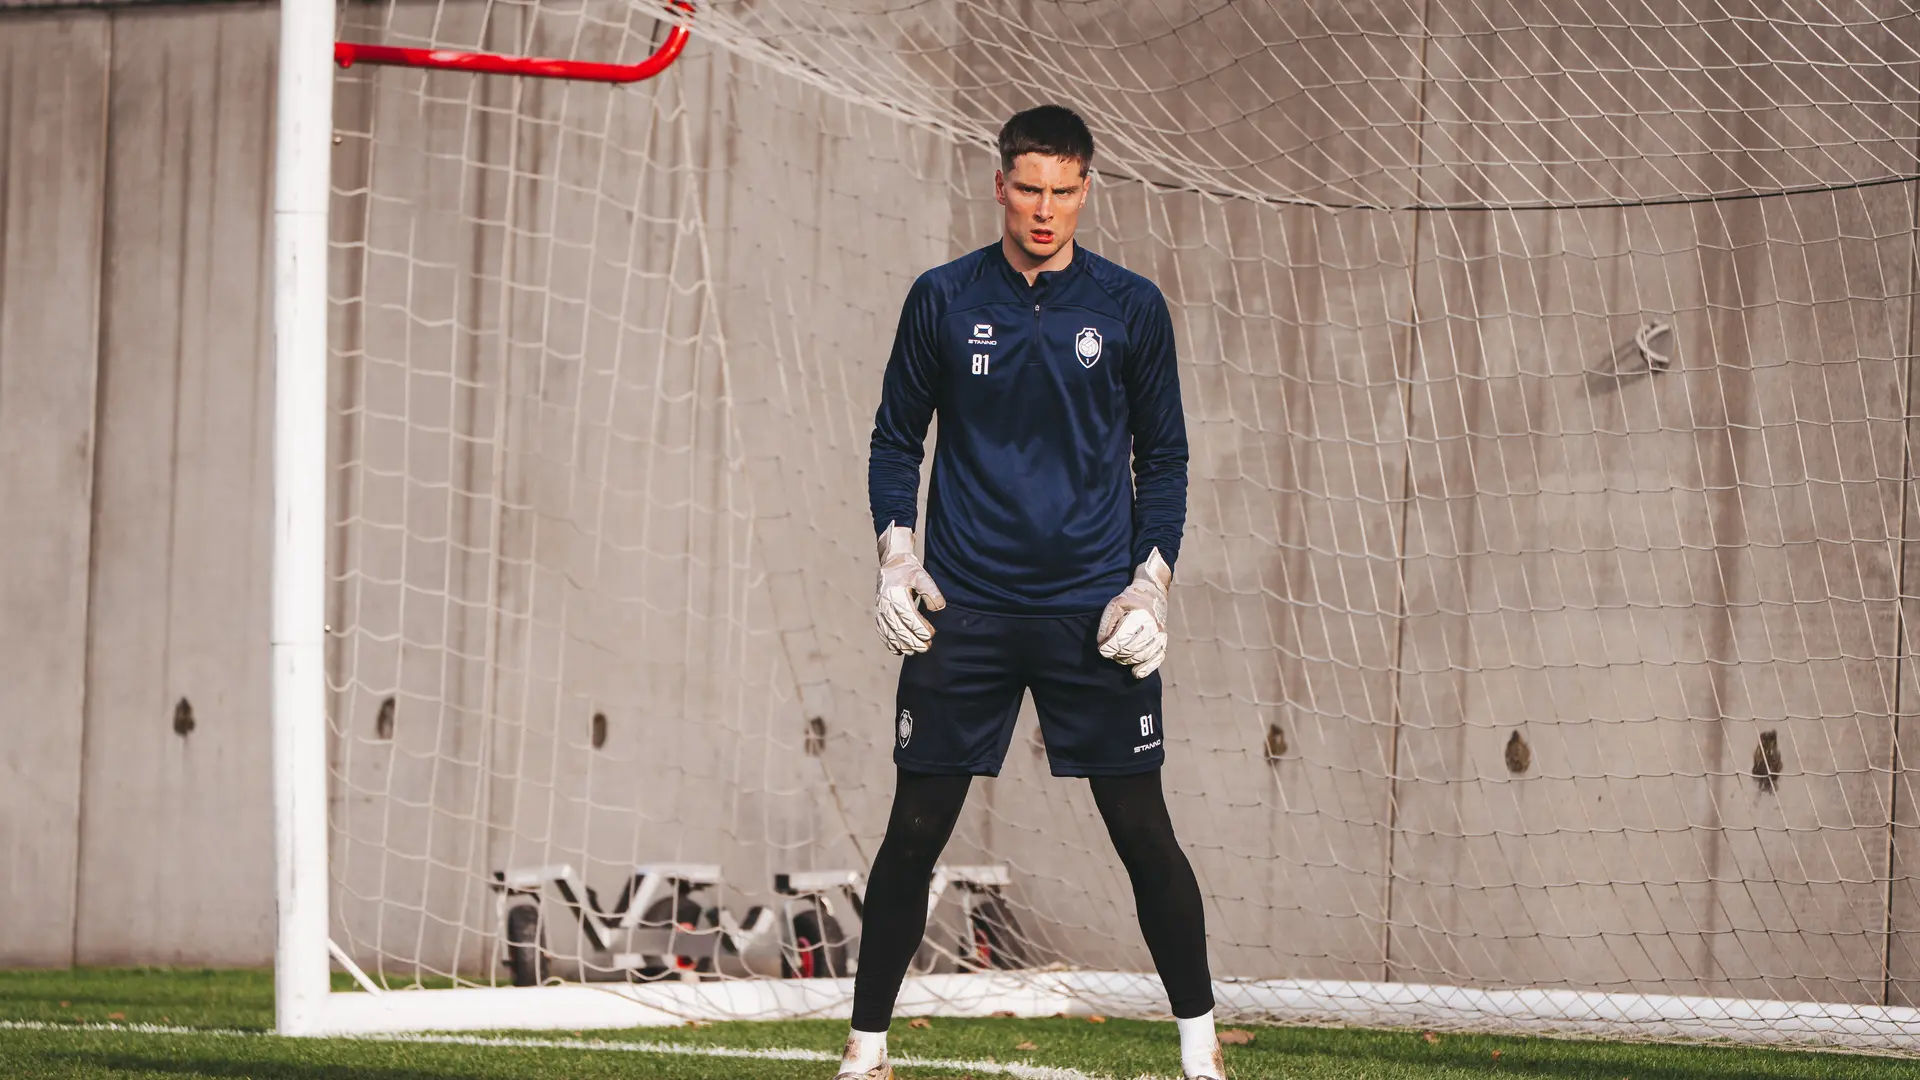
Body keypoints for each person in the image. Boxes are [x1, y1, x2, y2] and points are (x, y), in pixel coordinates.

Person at [837, 104, 1221, 1080]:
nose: (1046, 211)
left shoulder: (1131, 308)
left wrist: (1152, 585)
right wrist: (896, 557)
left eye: (1065, 191)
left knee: (1144, 834)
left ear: (1087, 189)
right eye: (1029, 189)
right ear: (999, 183)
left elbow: (1165, 461)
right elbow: (895, 440)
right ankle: (865, 1052)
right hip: (963, 609)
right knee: (912, 834)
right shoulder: (942, 298)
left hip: (1093, 613)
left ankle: (1202, 1055)